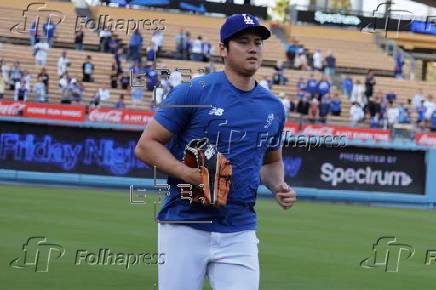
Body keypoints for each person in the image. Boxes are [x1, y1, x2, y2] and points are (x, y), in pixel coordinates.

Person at [134, 14, 296, 290]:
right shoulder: (194, 92)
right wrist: (190, 174)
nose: (253, 48)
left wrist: (278, 185)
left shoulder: (273, 107)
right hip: (184, 224)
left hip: (239, 229)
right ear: (223, 49)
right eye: (243, 41)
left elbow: (272, 161)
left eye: (258, 42)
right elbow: (146, 145)